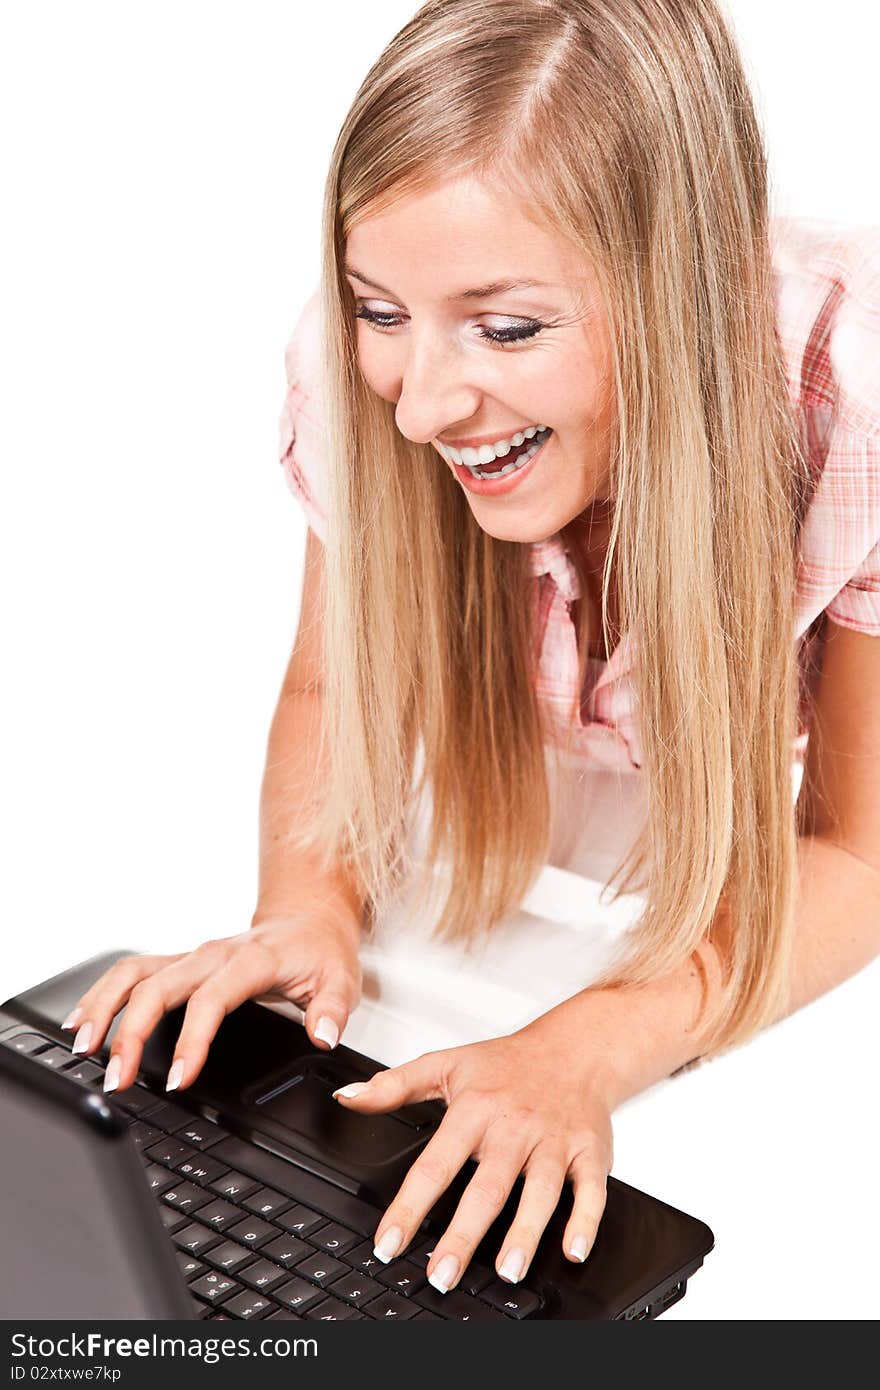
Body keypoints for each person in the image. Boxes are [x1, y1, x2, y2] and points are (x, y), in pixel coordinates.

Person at [60, 0, 880, 1299]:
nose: (425, 401)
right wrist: (307, 905)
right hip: (541, 832)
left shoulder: (856, 387)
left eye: (508, 329)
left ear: (684, 290)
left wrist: (590, 1047)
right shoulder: (364, 367)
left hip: (750, 839)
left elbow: (855, 844)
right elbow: (333, 683)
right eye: (382, 306)